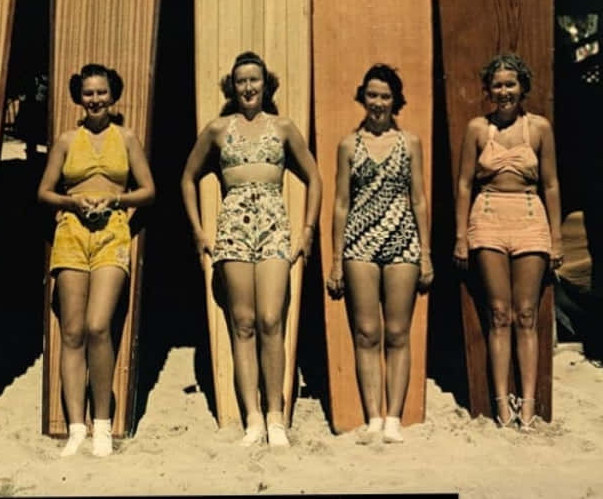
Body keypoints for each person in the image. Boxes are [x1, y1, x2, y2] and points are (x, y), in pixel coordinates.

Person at [180, 50, 322, 448]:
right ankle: (252, 418)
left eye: (254, 80)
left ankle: (276, 414)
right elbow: (188, 177)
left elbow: (314, 176)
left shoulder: (284, 127)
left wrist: (307, 230)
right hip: (233, 229)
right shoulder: (217, 130)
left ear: (266, 84)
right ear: (232, 86)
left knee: (272, 319)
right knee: (241, 323)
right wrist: (198, 230)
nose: (248, 87)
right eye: (241, 81)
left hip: (273, 226)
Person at [37, 64, 155, 458]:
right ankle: (75, 426)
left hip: (113, 233)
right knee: (71, 332)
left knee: (98, 326)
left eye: (101, 92)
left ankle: (102, 422)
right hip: (70, 232)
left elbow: (148, 190)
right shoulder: (67, 140)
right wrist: (73, 201)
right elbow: (44, 192)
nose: (95, 100)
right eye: (88, 93)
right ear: (78, 97)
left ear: (113, 95)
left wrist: (116, 200)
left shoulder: (127, 138)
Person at [452, 53, 563, 430]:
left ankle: (528, 403)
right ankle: (501, 402)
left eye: (510, 84)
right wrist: (461, 237)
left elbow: (550, 183)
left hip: (531, 218)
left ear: (523, 88)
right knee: (498, 314)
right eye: (497, 85)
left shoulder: (539, 129)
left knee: (527, 314)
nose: (504, 92)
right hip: (487, 218)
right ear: (488, 90)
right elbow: (465, 183)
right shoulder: (477, 130)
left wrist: (558, 239)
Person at [326, 65, 432, 444]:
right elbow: (340, 203)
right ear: (363, 97)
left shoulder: (410, 143)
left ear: (395, 100)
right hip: (359, 243)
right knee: (367, 332)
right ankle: (372, 416)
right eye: (372, 95)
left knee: (398, 332)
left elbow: (419, 198)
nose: (378, 103)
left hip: (402, 240)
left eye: (385, 96)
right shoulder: (348, 146)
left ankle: (393, 418)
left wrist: (426, 253)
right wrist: (336, 258)